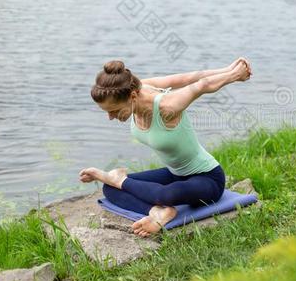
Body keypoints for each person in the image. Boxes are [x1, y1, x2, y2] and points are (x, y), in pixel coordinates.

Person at [79, 57, 252, 237]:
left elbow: (202, 84)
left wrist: (233, 74)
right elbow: (182, 79)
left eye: (114, 110)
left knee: (165, 195)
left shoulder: (167, 107)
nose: (110, 117)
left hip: (207, 178)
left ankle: (119, 179)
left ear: (132, 97)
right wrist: (226, 67)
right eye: (107, 112)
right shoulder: (134, 87)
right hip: (174, 174)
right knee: (109, 189)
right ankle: (157, 212)